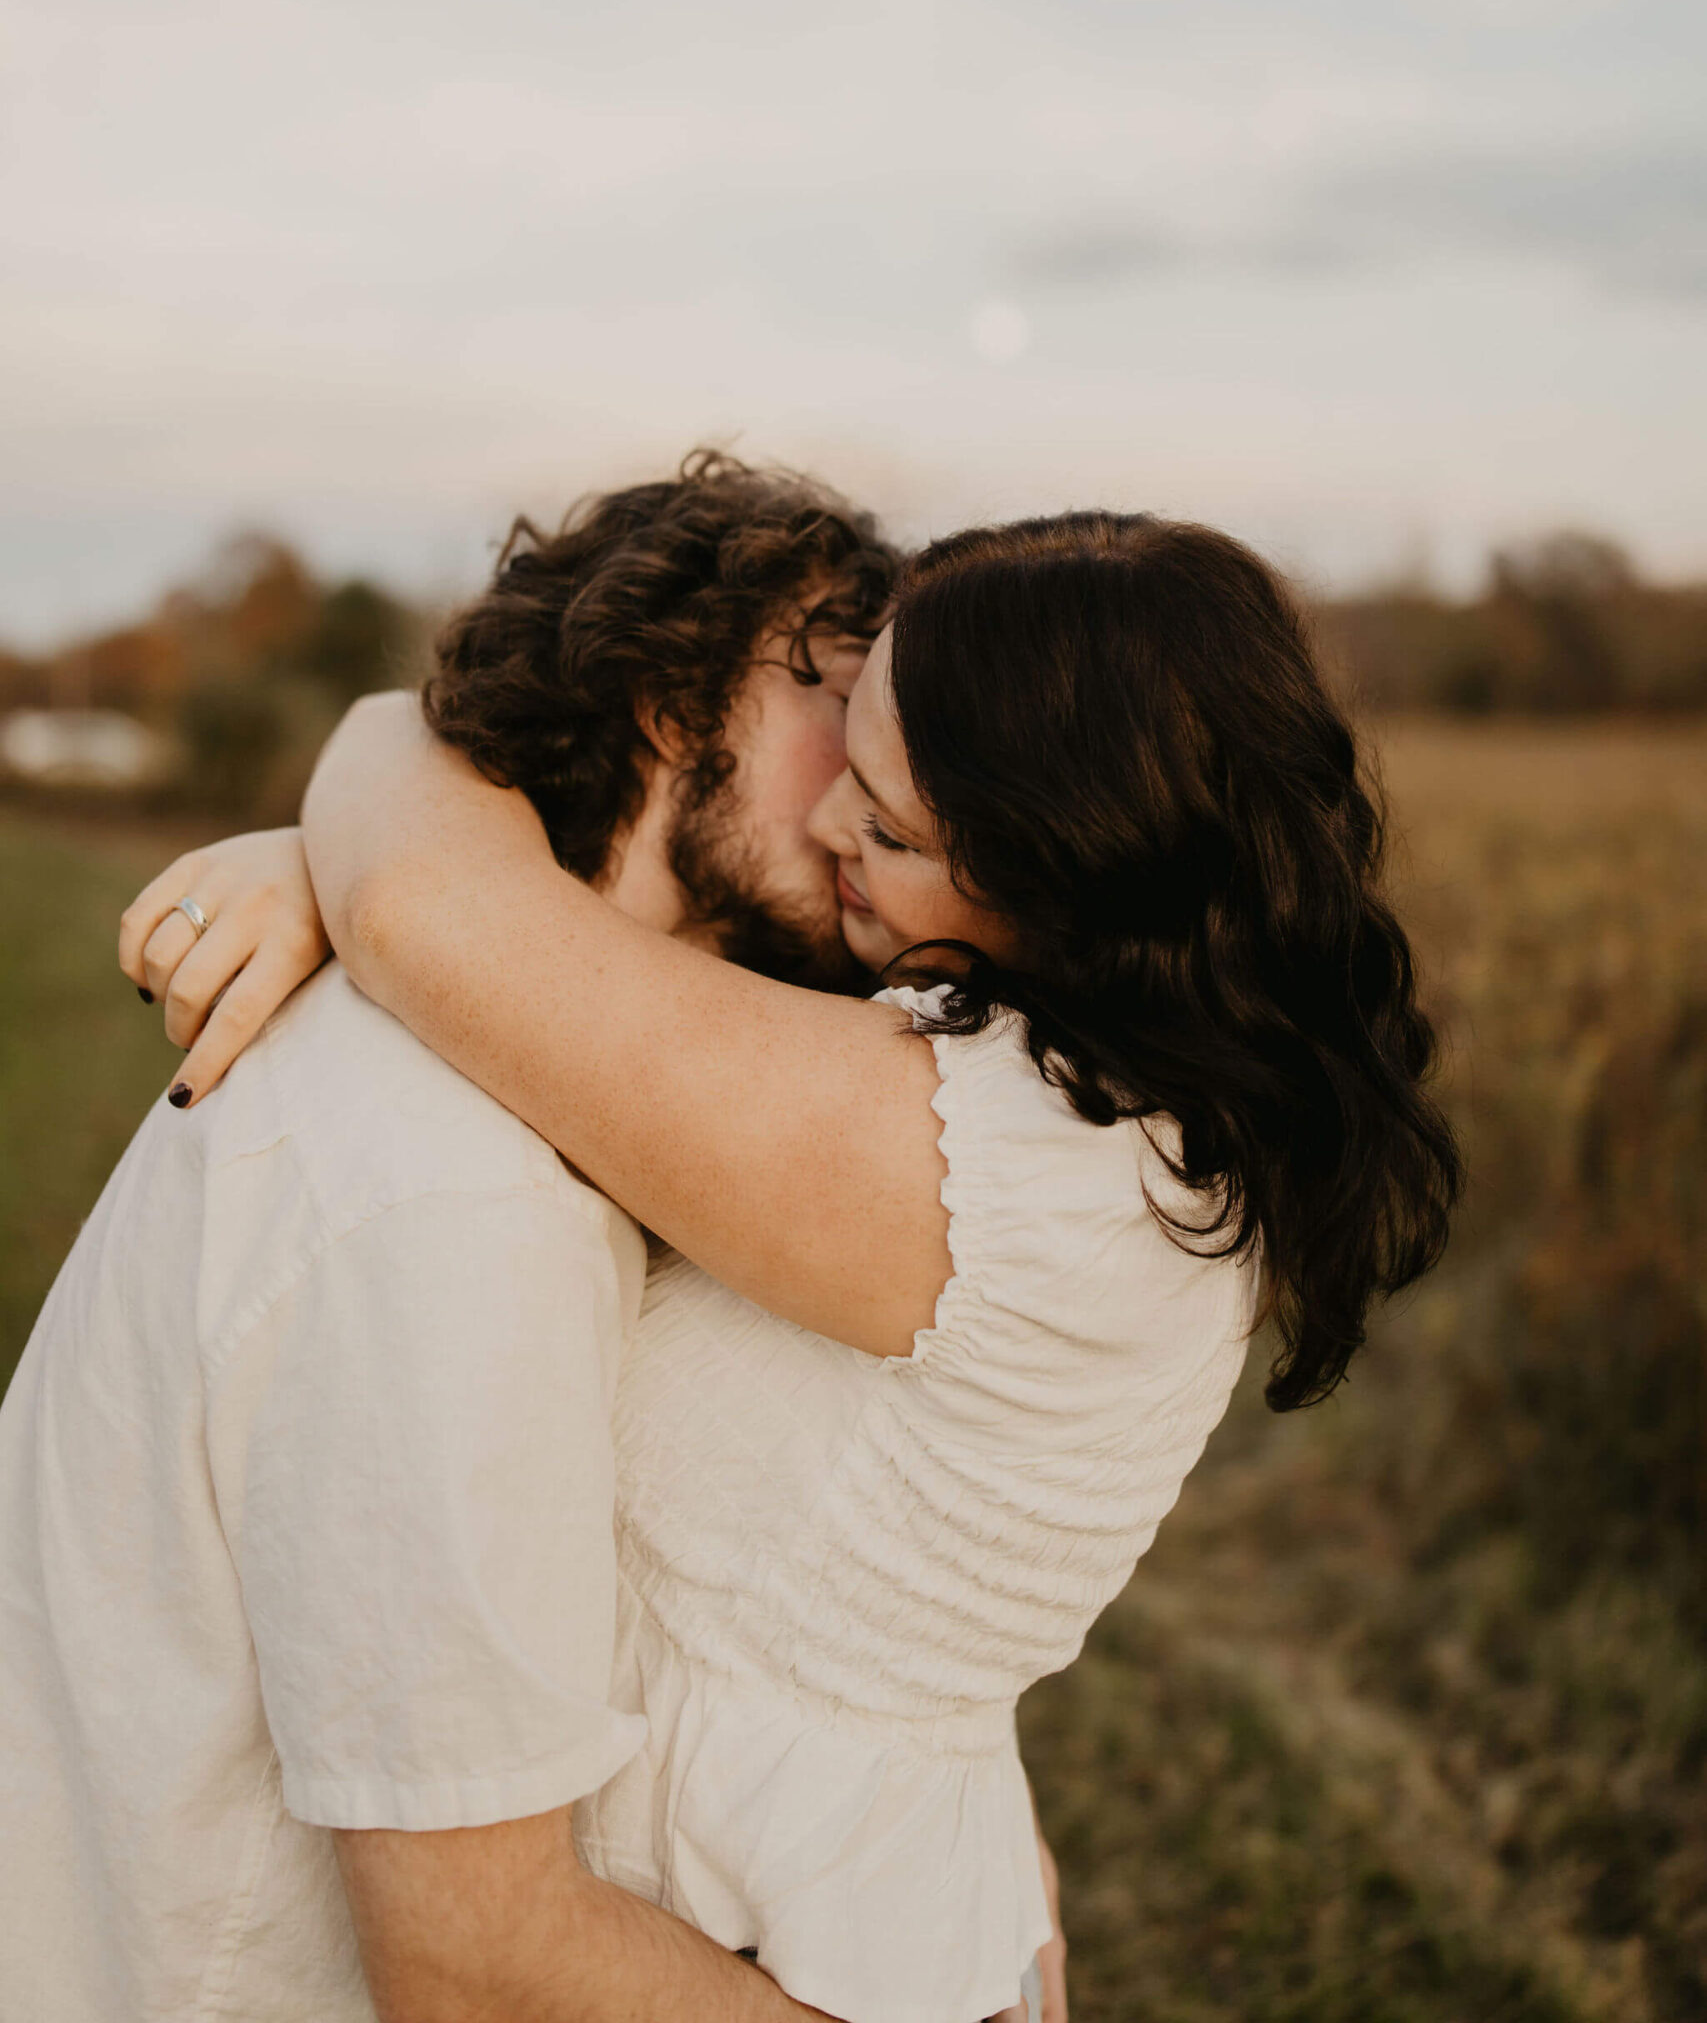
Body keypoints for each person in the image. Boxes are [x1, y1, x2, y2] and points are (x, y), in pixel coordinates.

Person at [125, 496, 1461, 2023]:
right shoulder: (1103, 1104)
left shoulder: (1004, 1169)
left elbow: (424, 906)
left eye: (890, 827)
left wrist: (375, 756)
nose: (833, 823)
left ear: (1068, 874)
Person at [0, 457, 916, 2023]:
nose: (880, 791)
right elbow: (480, 1969)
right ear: (664, 697)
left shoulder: (556, 1113)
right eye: (837, 691)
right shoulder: (460, 1195)